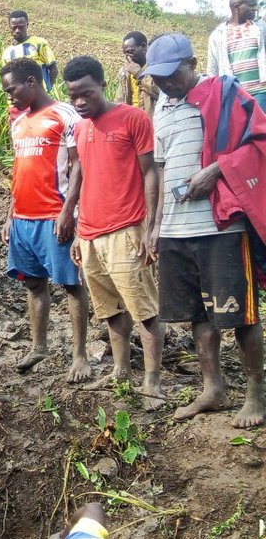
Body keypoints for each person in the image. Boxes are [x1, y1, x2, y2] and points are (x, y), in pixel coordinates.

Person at [143, 33, 266, 428]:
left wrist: (217, 170)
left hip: (221, 227)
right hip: (176, 231)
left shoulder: (225, 93)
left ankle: (255, 396)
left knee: (240, 313)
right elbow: (160, 172)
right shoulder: (161, 107)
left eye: (171, 74)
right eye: (157, 77)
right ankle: (212, 388)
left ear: (193, 63)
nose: (164, 83)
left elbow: (261, 139)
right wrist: (155, 226)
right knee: (198, 312)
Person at [62, 56, 166, 408]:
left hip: (126, 229)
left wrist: (151, 227)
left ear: (102, 86)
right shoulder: (79, 128)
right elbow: (85, 179)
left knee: (144, 309)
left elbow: (151, 173)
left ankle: (152, 380)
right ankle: (121, 371)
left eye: (86, 94)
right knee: (109, 310)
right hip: (90, 234)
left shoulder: (133, 118)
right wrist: (78, 232)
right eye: (73, 95)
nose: (79, 102)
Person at [0, 58, 90, 380]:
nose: (10, 96)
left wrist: (69, 211)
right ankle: (39, 346)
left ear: (32, 82)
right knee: (34, 283)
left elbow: (79, 166)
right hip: (23, 217)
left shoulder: (65, 115)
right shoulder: (18, 122)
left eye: (12, 90)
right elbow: (18, 170)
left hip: (55, 215)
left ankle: (80, 355)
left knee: (70, 284)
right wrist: (10, 215)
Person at [207, 0, 266, 109]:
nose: (255, 9)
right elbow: (212, 70)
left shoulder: (260, 27)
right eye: (251, 6)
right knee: (239, 126)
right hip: (234, 94)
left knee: (262, 125)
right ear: (236, 7)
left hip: (261, 92)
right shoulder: (218, 35)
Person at [2, 10, 58, 90]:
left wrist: (48, 89)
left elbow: (53, 69)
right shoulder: (7, 53)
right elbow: (7, 78)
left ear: (27, 25)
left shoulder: (39, 43)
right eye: (14, 28)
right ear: (9, 28)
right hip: (20, 99)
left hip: (41, 96)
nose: (17, 30)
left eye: (21, 27)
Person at [117, 31, 160, 117]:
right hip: (132, 122)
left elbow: (158, 91)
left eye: (130, 51)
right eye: (125, 53)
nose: (128, 56)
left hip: (150, 123)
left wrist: (139, 74)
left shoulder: (156, 68)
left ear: (144, 46)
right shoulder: (125, 71)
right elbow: (120, 99)